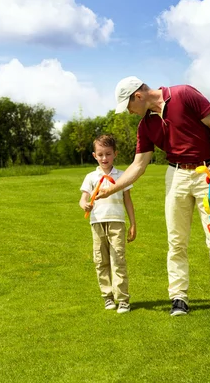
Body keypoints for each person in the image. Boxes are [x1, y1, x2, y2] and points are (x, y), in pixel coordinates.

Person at [96, 76, 210, 316]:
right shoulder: (146, 125)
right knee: (176, 241)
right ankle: (179, 298)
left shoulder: (184, 94)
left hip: (208, 174)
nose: (130, 113)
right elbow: (138, 165)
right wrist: (111, 188)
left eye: (129, 107)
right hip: (176, 176)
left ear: (138, 96)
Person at [79, 134, 137, 314]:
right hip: (97, 223)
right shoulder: (90, 177)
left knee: (118, 260)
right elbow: (83, 200)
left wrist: (133, 224)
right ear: (94, 155)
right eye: (101, 154)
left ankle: (123, 300)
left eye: (108, 154)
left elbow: (128, 200)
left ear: (115, 154)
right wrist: (85, 205)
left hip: (117, 223)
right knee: (101, 261)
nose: (105, 158)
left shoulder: (122, 176)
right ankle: (107, 297)